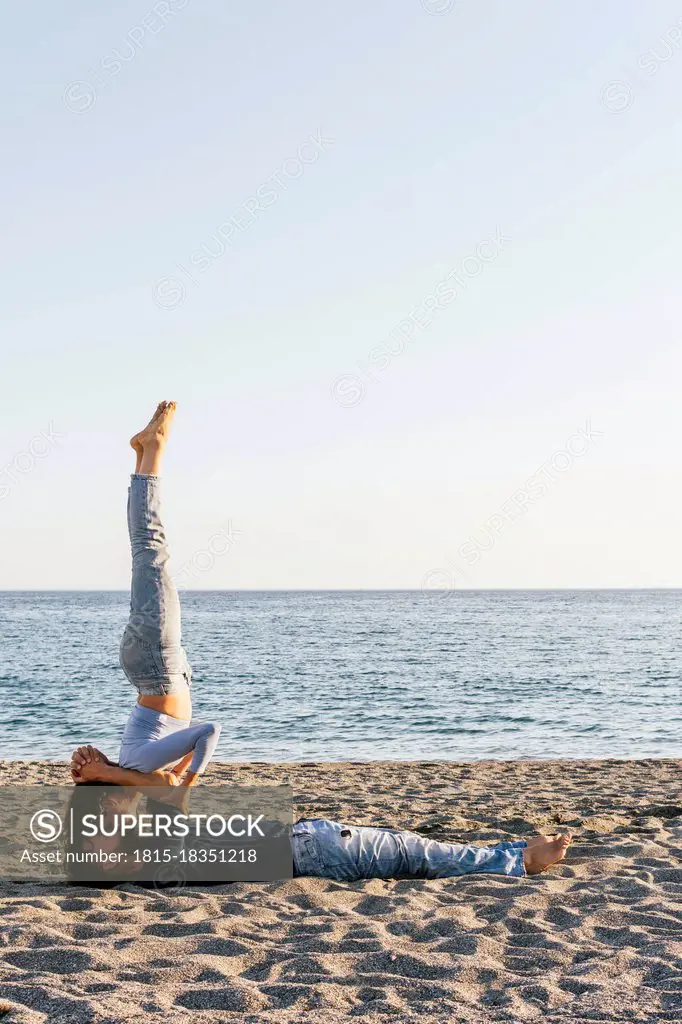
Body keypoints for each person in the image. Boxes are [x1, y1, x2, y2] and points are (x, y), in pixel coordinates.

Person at [71, 401, 221, 791]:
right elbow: (162, 778)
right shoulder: (143, 769)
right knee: (147, 551)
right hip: (158, 667)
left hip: (157, 664)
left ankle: (152, 450)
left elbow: (209, 731)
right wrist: (174, 777)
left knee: (149, 547)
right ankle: (143, 453)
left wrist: (187, 787)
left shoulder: (139, 765)